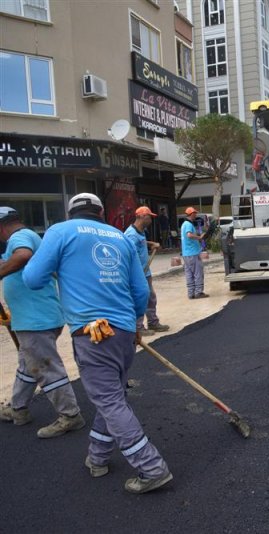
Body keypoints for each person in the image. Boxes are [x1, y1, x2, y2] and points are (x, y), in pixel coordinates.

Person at [23, 193, 173, 494]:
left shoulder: (60, 232)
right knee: (112, 396)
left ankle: (151, 467)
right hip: (123, 333)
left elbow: (32, 278)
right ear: (101, 212)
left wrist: (61, 268)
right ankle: (98, 457)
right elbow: (140, 291)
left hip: (93, 335)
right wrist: (133, 325)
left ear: (71, 212)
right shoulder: (119, 237)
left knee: (109, 400)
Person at [0, 207, 85, 438]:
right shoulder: (21, 239)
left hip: (36, 319)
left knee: (45, 367)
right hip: (33, 318)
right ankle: (19, 409)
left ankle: (70, 415)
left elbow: (22, 256)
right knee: (28, 365)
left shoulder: (21, 236)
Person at [125, 206, 170, 336]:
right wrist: (138, 274)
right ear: (141, 217)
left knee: (151, 297)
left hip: (146, 272)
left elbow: (142, 241)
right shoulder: (130, 235)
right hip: (137, 274)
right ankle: (138, 327)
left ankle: (153, 322)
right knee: (139, 299)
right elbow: (129, 256)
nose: (150, 219)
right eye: (149, 217)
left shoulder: (141, 231)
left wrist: (151, 244)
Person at [181, 207, 208, 299]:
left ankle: (191, 293)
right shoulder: (188, 224)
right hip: (193, 252)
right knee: (198, 272)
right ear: (191, 214)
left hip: (186, 253)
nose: (196, 215)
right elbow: (189, 235)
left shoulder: (184, 224)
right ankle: (198, 292)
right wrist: (199, 237)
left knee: (189, 273)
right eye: (195, 213)